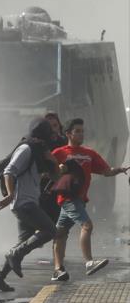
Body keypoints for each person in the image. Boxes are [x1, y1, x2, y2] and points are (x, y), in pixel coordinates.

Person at [50, 118, 129, 281]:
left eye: (82, 131)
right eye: (77, 131)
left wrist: (119, 170)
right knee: (87, 225)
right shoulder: (60, 152)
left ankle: (58, 270)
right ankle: (89, 262)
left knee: (60, 233)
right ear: (68, 134)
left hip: (79, 199)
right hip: (68, 197)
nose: (81, 134)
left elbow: (106, 171)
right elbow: (46, 171)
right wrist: (59, 169)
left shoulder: (89, 153)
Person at [0, 118, 59, 292]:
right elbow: (9, 171)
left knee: (23, 242)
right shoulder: (26, 148)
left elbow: (56, 177)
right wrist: (11, 195)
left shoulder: (39, 153)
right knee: (50, 231)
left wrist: (53, 161)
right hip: (23, 202)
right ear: (41, 136)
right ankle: (14, 255)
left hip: (30, 201)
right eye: (47, 135)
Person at [39, 111, 67, 222]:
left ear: (59, 126)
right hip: (43, 187)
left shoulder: (64, 141)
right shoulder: (39, 144)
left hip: (61, 187)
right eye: (49, 127)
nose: (52, 129)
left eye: (55, 126)